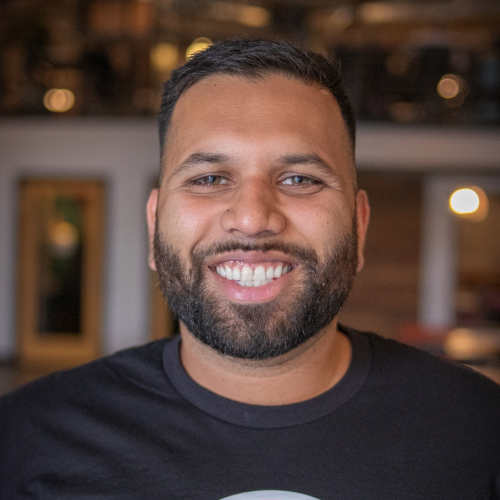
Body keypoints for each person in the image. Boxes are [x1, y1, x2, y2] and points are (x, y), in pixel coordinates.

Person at [1, 39, 499, 500]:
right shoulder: (25, 440)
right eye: (211, 177)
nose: (253, 217)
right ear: (155, 227)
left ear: (359, 226)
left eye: (300, 178)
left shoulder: (481, 430)